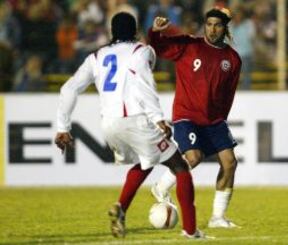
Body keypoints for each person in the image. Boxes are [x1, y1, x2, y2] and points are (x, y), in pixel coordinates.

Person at [54, 12, 205, 239]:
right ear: (135, 31)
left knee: (147, 161)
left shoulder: (96, 56)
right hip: (136, 120)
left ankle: (121, 209)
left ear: (111, 32)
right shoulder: (140, 51)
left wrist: (63, 127)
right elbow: (143, 83)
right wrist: (157, 117)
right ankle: (191, 231)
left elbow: (68, 89)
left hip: (110, 125)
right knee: (180, 167)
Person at [148, 7, 241, 228]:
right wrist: (154, 32)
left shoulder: (233, 59)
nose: (212, 29)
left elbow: (228, 94)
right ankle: (160, 187)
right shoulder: (190, 45)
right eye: (209, 24)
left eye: (217, 25)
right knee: (194, 157)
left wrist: (221, 119)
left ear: (225, 28)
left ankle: (217, 217)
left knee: (230, 163)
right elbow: (158, 47)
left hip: (214, 119)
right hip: (186, 114)